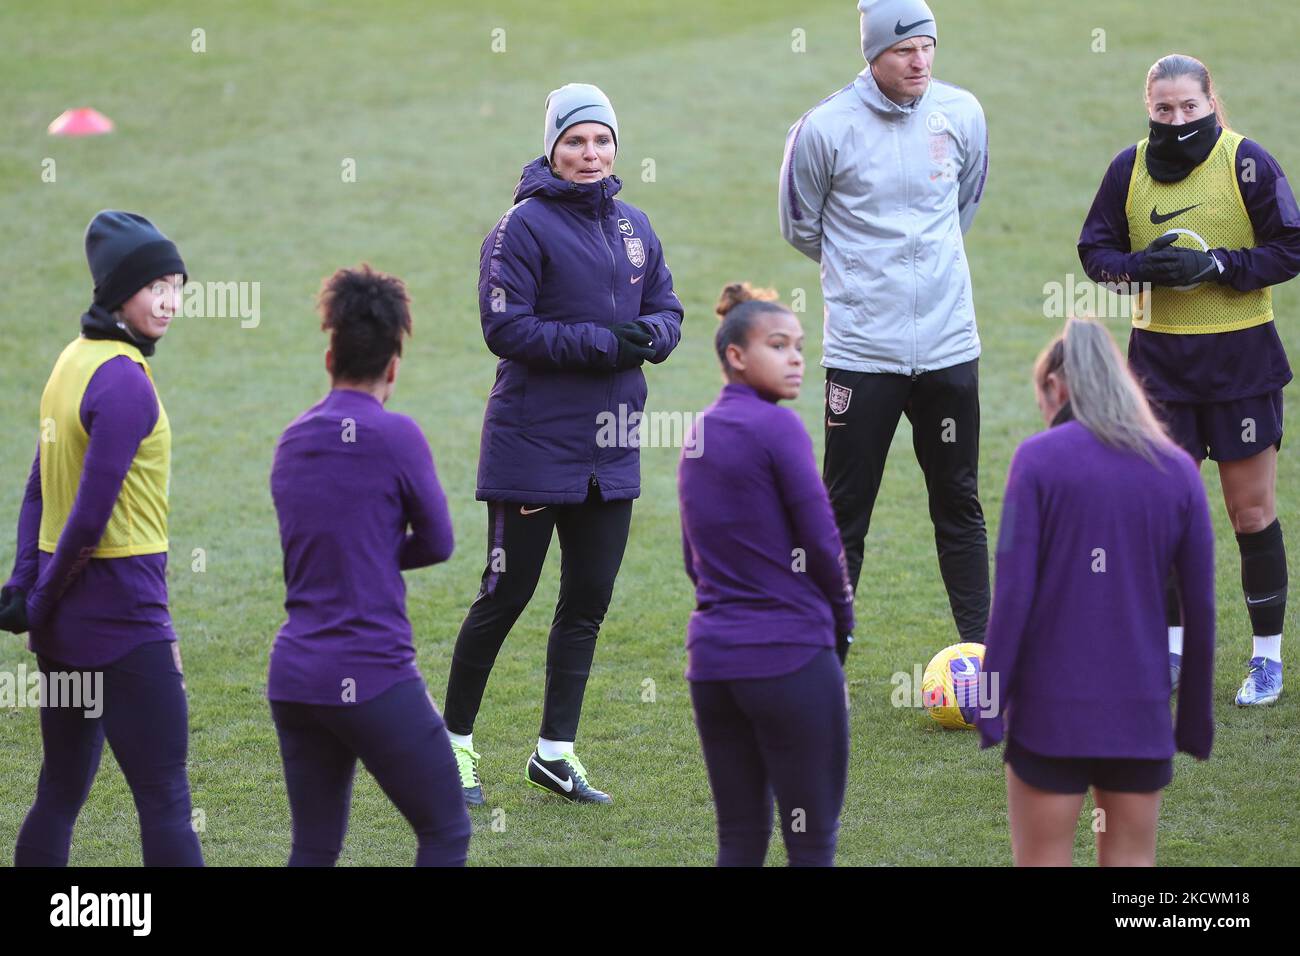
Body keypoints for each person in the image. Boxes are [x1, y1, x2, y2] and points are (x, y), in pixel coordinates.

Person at [443, 83, 684, 805]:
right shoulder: (519, 229)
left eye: (601, 140)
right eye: (576, 141)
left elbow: (667, 308)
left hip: (610, 448)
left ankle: (555, 753)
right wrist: (608, 343)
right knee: (504, 595)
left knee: (587, 601)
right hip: (532, 446)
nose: (590, 153)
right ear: (552, 146)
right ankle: (452, 746)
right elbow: (506, 329)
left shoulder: (635, 225)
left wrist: (655, 338)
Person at [1078, 54, 1300, 706]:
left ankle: (1267, 658)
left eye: (1189, 109)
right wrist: (1138, 267)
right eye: (1163, 110)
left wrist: (1219, 267)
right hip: (1159, 373)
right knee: (1161, 516)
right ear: (1149, 108)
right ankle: (1171, 651)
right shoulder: (1128, 169)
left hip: (1240, 368)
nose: (1177, 120)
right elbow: (1094, 252)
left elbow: (1291, 245)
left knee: (1250, 512)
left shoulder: (1247, 163)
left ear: (1210, 104)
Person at [779, 0, 991, 646]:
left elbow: (965, 203)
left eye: (928, 45)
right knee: (844, 512)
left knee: (960, 502)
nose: (919, 59)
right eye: (904, 49)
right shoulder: (823, 129)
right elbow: (800, 226)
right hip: (864, 354)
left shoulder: (963, 114)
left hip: (950, 347)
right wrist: (868, 275)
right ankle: (824, 658)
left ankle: (984, 653)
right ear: (873, 54)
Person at [0, 210, 204, 866]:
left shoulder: (72, 361)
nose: (170, 301)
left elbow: (37, 488)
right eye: (156, 286)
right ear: (119, 291)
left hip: (65, 631)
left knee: (59, 790)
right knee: (166, 796)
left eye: (177, 285)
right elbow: (90, 516)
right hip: (124, 616)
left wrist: (27, 588)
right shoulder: (124, 382)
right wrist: (40, 596)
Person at [977, 317, 1215, 867]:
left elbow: (1012, 599)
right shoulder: (1177, 470)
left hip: (1048, 714)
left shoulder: (1036, 462)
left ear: (1057, 389)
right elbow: (1200, 606)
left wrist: (990, 708)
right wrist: (1194, 720)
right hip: (1139, 712)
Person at [267, 265, 471, 866]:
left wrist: (362, 554)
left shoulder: (292, 438)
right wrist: (379, 557)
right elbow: (437, 541)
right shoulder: (396, 435)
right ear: (393, 367)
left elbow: (318, 539)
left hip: (295, 677)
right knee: (445, 830)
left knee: (314, 847)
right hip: (370, 671)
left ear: (330, 357)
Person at [678, 283, 855, 867]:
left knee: (739, 840)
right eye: (778, 346)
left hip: (713, 664)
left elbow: (692, 561)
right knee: (810, 844)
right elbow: (823, 541)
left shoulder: (698, 434)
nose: (797, 358)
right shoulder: (778, 428)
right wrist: (842, 624)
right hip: (790, 658)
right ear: (736, 355)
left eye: (799, 346)